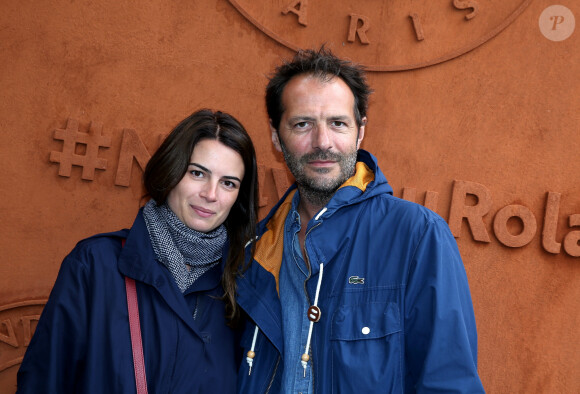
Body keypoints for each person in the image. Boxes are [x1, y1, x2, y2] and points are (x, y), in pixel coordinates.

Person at [236, 47, 485, 393]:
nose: (322, 143)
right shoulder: (257, 250)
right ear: (277, 136)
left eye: (338, 123)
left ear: (360, 131)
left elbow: (449, 384)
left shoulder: (418, 237)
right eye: (302, 124)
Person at [17, 109, 259, 393]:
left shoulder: (243, 286)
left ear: (238, 197)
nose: (211, 194)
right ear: (170, 172)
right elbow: (44, 382)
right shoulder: (95, 265)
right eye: (197, 173)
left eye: (228, 183)